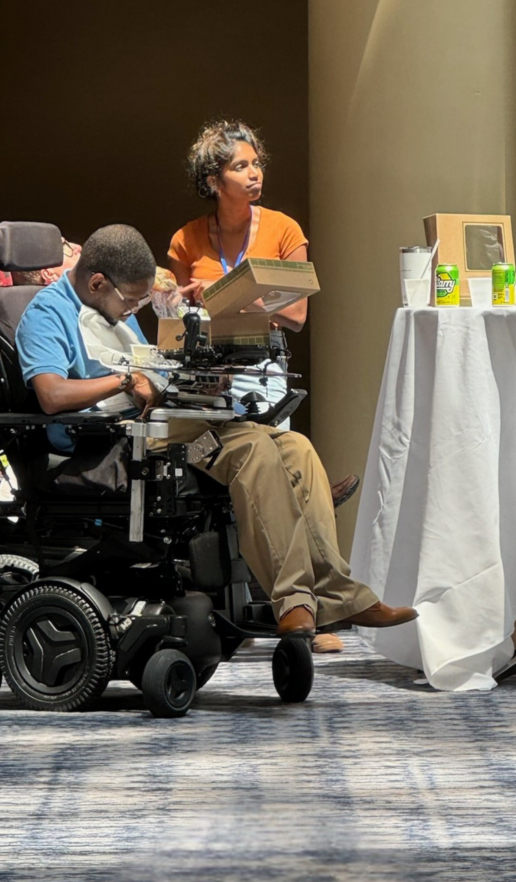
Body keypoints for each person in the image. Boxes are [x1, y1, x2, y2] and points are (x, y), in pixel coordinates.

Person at [15, 224, 418, 641]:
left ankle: (337, 595)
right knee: (254, 449)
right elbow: (52, 394)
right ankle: (295, 599)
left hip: (166, 423)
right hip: (116, 440)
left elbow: (147, 370)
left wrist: (198, 381)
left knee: (296, 448)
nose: (135, 310)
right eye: (132, 301)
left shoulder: (108, 310)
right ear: (98, 283)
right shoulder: (48, 314)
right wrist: (124, 382)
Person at [168, 120, 358, 651]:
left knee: (293, 463)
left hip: (264, 374)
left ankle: (312, 613)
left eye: (256, 164)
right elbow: (178, 315)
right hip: (210, 379)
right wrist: (194, 300)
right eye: (240, 167)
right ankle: (289, 602)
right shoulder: (185, 240)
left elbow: (293, 313)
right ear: (213, 179)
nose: (254, 175)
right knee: (264, 471)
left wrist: (225, 296)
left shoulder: (283, 229)